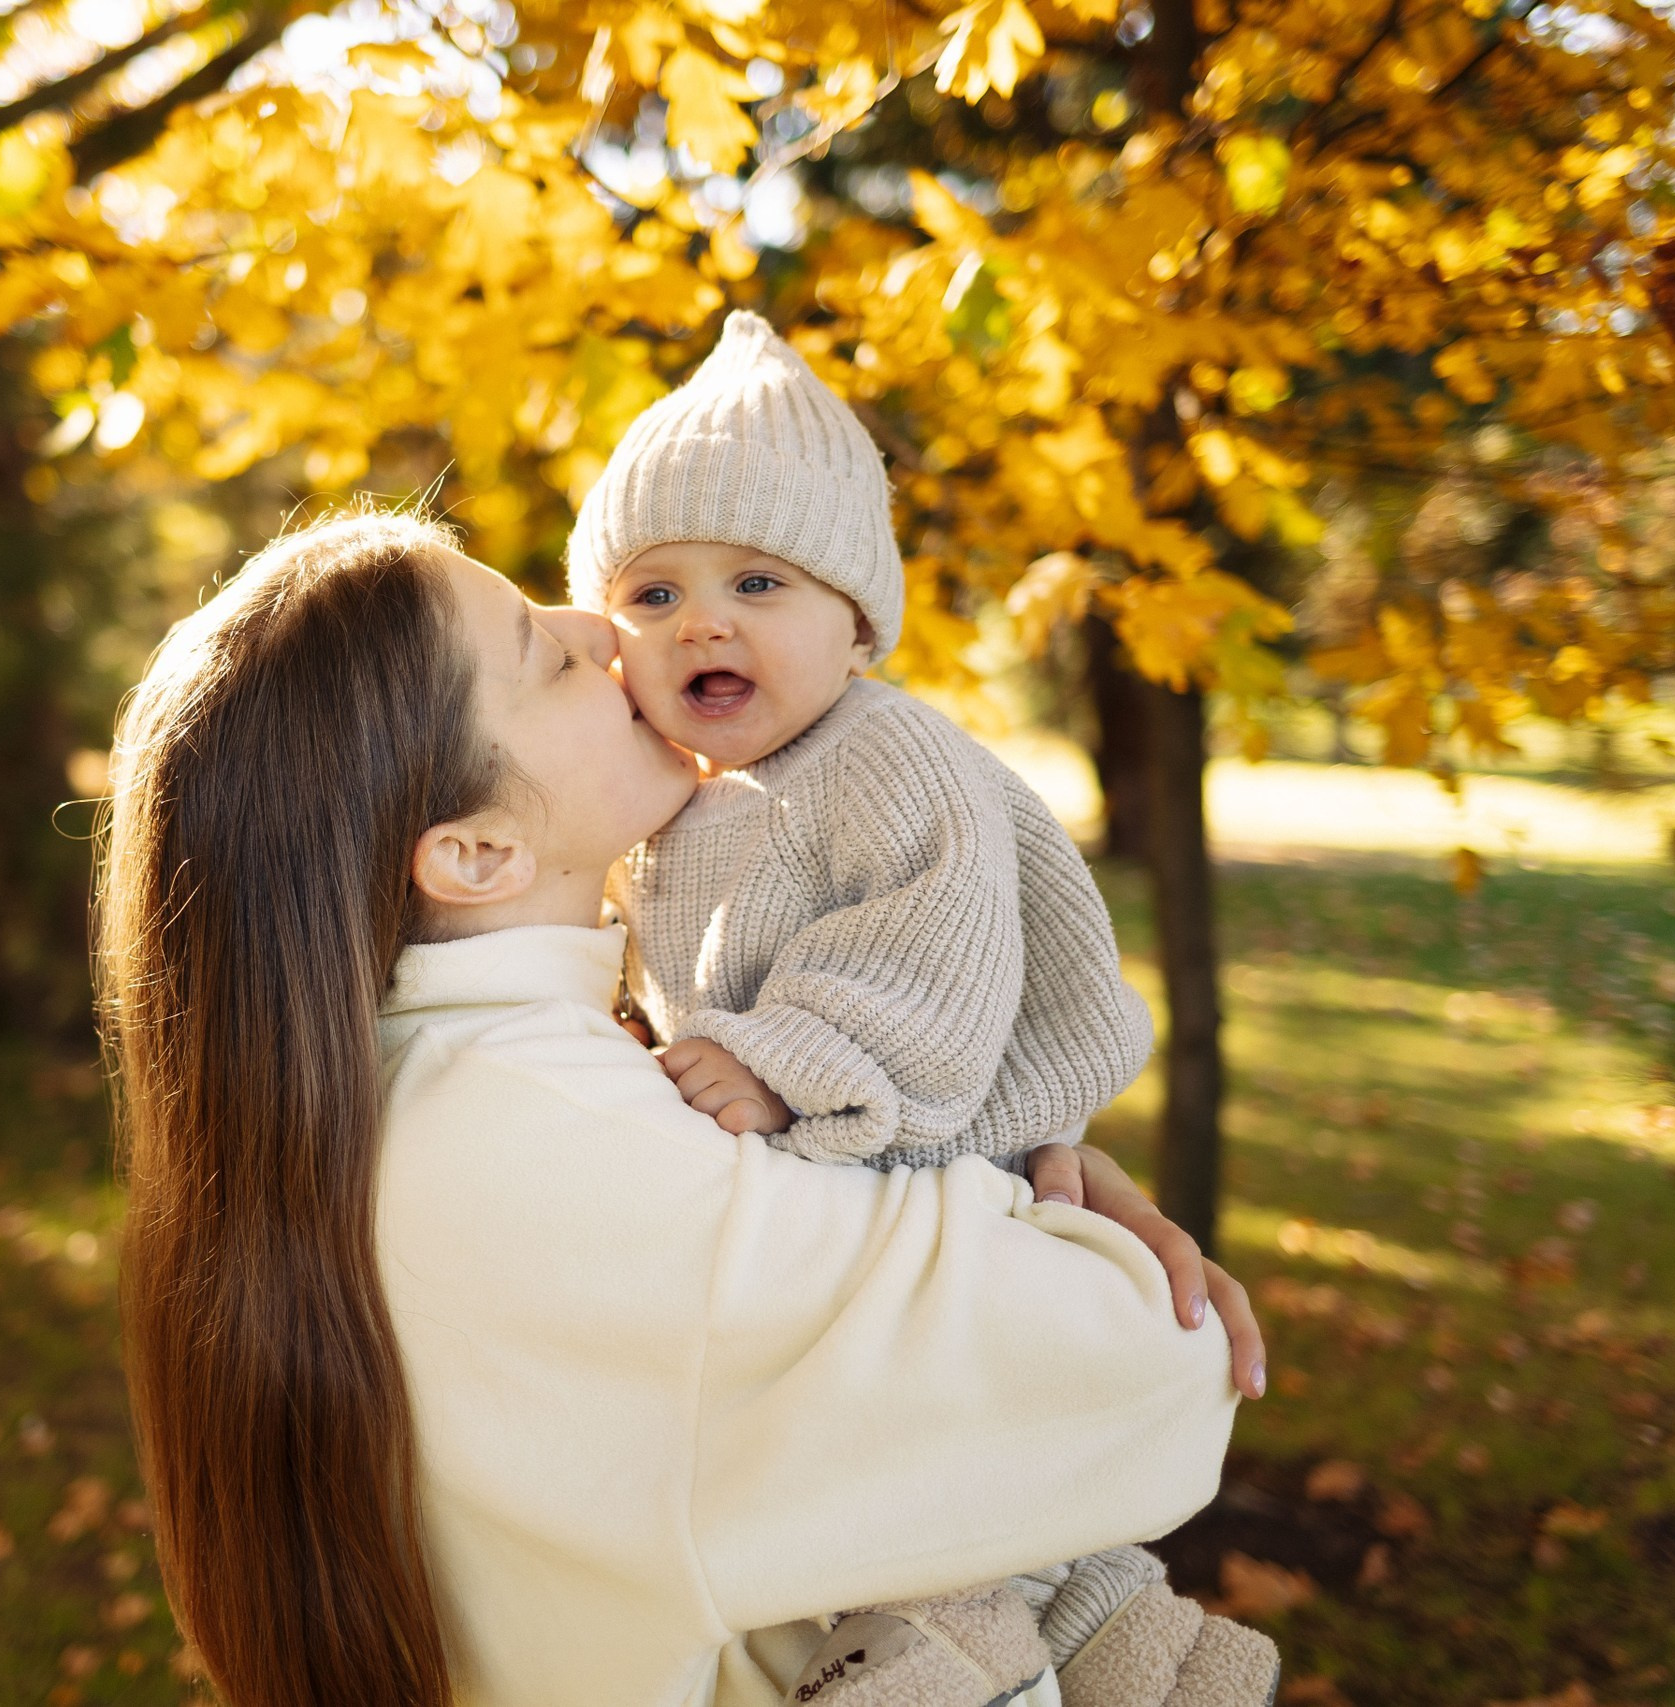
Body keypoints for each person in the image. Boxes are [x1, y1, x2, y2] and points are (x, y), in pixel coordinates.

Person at [98, 509, 1265, 1707]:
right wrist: (1056, 1211)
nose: (604, 629)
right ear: (478, 854)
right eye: (543, 652)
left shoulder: (424, 1101)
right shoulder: (561, 1148)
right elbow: (1154, 1368)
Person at [566, 311, 1276, 1704]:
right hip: (835, 1171)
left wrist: (779, 1059)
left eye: (758, 581)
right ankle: (1143, 1650)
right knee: (994, 1505)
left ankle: (948, 1651)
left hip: (916, 1138)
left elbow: (931, 949)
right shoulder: (681, 802)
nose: (701, 620)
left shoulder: (883, 752)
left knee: (902, 1456)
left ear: (857, 626)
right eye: (651, 595)